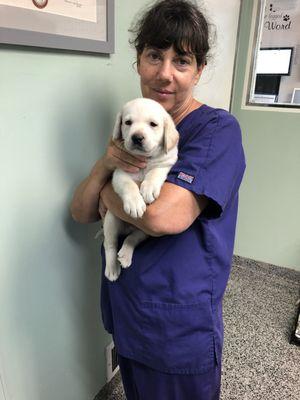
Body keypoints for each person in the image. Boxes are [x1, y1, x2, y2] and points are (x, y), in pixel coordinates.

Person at [70, 0, 246, 399]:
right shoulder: (131, 131)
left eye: (181, 61)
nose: (164, 74)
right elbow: (80, 212)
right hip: (128, 310)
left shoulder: (217, 132)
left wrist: (108, 189)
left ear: (199, 70)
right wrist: (106, 165)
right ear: (138, 61)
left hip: (176, 324)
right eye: (154, 56)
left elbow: (163, 217)